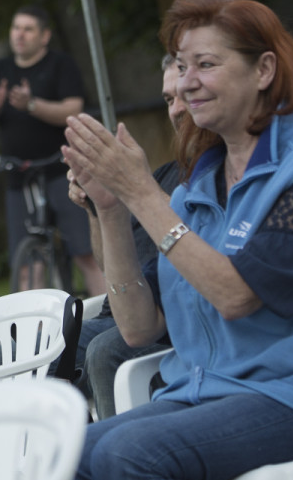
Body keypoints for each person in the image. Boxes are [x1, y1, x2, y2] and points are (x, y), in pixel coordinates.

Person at [64, 0, 293, 479]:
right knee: (61, 454)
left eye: (205, 64)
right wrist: (112, 208)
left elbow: (237, 294)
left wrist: (143, 195)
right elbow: (138, 328)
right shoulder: (198, 187)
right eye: (182, 66)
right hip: (204, 391)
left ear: (263, 71)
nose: (187, 82)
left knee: (130, 455)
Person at [65, 54, 186, 418]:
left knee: (105, 351)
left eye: (186, 94)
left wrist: (139, 189)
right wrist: (98, 209)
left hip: (168, 320)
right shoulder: (165, 174)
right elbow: (111, 264)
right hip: (120, 311)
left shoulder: (208, 180)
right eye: (168, 99)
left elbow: (200, 237)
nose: (178, 109)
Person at [0, 5, 105, 295]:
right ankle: (36, 334)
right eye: (15, 28)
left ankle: (111, 320)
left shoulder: (60, 64)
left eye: (27, 29)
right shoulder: (2, 69)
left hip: (61, 171)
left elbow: (73, 109)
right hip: (19, 179)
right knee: (28, 263)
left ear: (44, 36)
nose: (19, 35)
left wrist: (32, 105)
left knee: (86, 253)